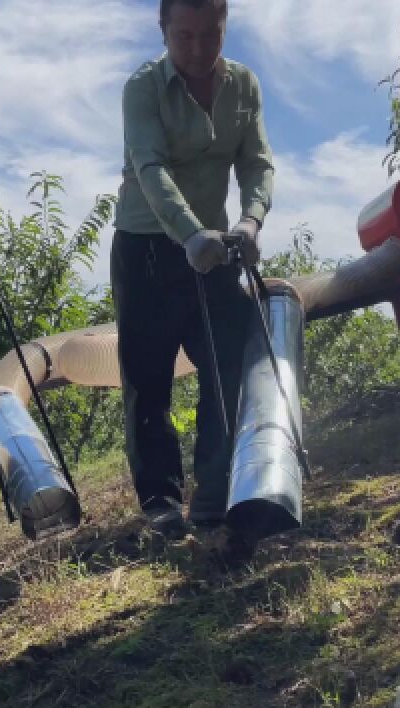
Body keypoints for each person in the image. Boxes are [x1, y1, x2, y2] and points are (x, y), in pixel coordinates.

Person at [111, 0, 275, 555]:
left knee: (228, 360)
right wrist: (188, 234)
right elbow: (149, 168)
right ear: (164, 32)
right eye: (185, 36)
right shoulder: (143, 89)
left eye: (212, 35)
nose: (199, 49)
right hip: (148, 249)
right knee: (149, 379)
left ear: (225, 28)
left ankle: (216, 486)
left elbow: (257, 162)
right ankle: (160, 503)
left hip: (216, 247)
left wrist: (251, 219)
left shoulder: (244, 86)